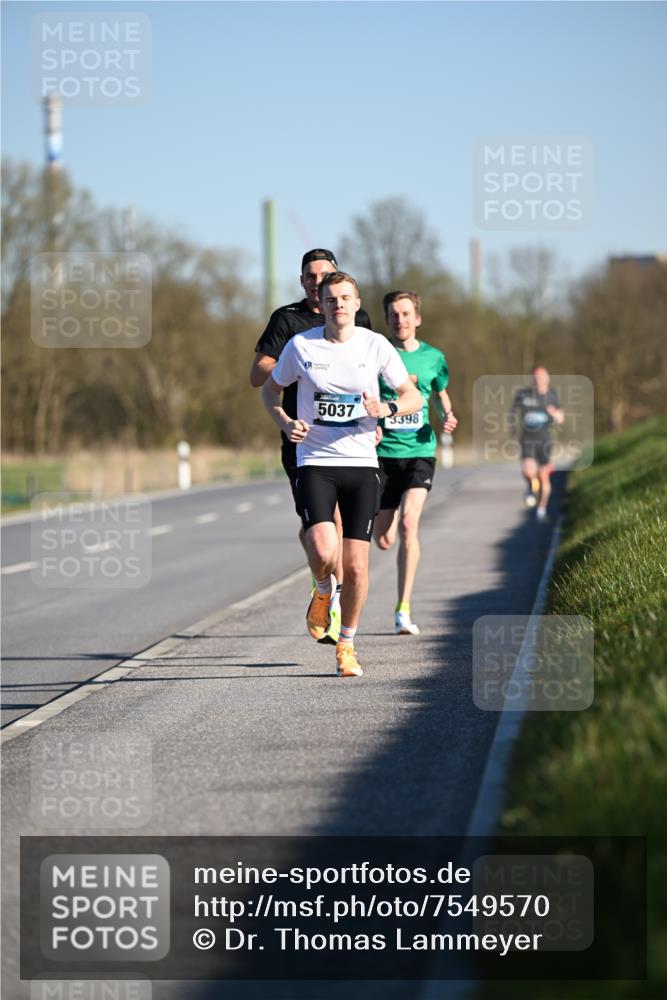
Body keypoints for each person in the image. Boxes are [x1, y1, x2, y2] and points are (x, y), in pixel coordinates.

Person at [261, 272, 422, 677]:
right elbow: (269, 390)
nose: (339, 305)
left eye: (346, 298)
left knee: (357, 568)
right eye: (331, 299)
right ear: (322, 303)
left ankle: (346, 645)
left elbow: (413, 395)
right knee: (321, 551)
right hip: (315, 461)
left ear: (356, 303)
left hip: (362, 465)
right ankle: (321, 590)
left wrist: (386, 409)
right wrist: (284, 421)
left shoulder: (375, 345)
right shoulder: (302, 345)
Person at [250, 249, 372, 643]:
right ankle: (324, 584)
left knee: (340, 526)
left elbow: (372, 375)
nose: (317, 282)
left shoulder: (357, 319)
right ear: (302, 282)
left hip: (351, 440)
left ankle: (333, 600)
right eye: (310, 277)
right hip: (302, 438)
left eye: (325, 275)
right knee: (319, 530)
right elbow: (258, 375)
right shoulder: (287, 321)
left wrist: (379, 417)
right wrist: (299, 363)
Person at [373, 291, 458, 635]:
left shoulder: (433, 358)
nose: (400, 320)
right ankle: (388, 516)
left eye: (406, 314)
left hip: (420, 450)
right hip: (383, 455)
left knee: (410, 524)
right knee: (383, 539)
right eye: (394, 315)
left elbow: (439, 394)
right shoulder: (377, 354)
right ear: (387, 320)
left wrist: (447, 414)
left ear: (417, 318)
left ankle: (403, 608)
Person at [511, 366, 564, 522]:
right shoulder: (524, 394)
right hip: (527, 438)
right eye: (536, 377)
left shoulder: (552, 395)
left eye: (541, 377)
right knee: (528, 472)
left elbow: (561, 418)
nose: (538, 380)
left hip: (545, 439)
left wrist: (555, 414)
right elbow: (512, 411)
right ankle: (531, 486)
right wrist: (512, 427)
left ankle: (541, 508)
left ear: (547, 379)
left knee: (543, 476)